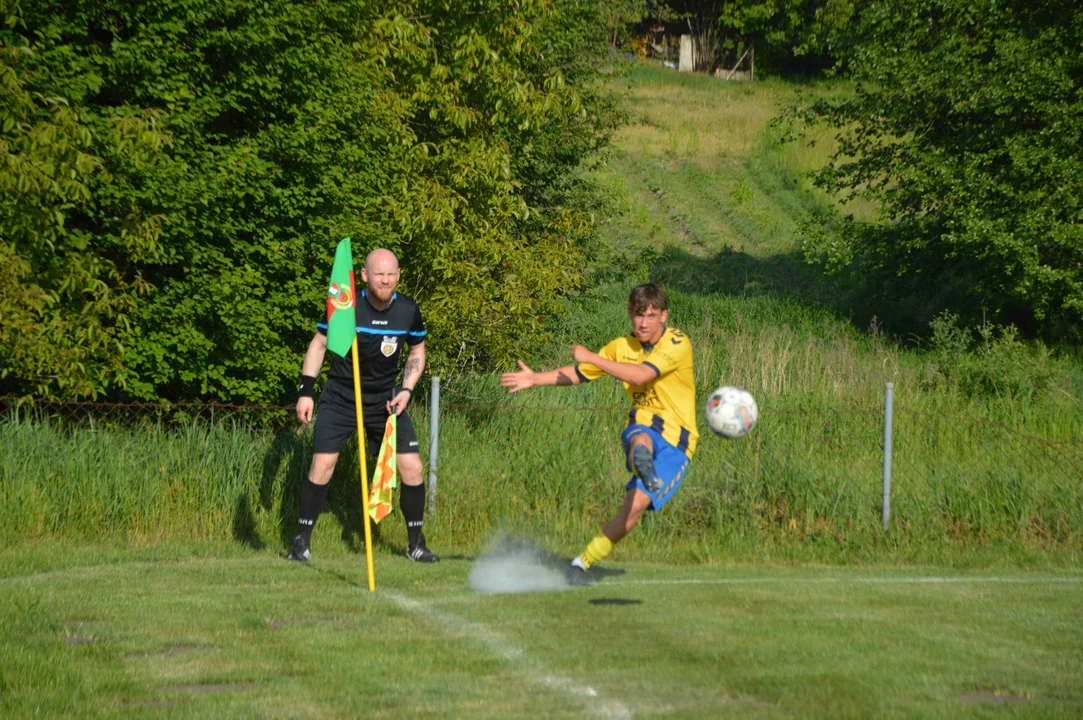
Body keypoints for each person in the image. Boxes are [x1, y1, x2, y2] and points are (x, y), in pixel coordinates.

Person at [501, 283, 697, 575]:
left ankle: (585, 559)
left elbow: (641, 374)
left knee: (634, 509)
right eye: (638, 315)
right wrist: (534, 379)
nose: (643, 323)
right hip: (644, 422)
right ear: (630, 313)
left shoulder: (678, 342)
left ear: (664, 316)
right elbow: (580, 373)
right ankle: (579, 566)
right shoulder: (620, 347)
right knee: (641, 436)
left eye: (651, 316)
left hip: (680, 441)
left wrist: (593, 357)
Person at [289, 248, 438, 563]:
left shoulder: (409, 310)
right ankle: (301, 541)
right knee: (322, 465)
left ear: (398, 276)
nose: (385, 280)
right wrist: (306, 391)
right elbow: (318, 344)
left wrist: (407, 390)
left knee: (411, 467)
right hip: (341, 397)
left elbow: (417, 351)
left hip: (386, 402)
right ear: (366, 275)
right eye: (379, 274)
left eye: (391, 274)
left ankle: (416, 545)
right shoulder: (346, 306)